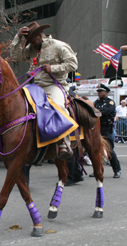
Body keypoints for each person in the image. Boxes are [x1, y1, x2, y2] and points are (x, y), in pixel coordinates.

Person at [10, 21, 78, 158]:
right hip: (36, 86)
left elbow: (73, 64)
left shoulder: (59, 46)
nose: (32, 44)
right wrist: (17, 38)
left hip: (55, 84)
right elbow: (16, 56)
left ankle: (64, 143)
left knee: (58, 106)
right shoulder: (31, 49)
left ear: (40, 36)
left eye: (32, 40)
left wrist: (53, 68)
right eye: (28, 41)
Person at [93, 84, 121, 178]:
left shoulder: (110, 103)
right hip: (97, 128)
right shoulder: (96, 102)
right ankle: (97, 170)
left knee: (109, 151)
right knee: (96, 150)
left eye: (101, 91)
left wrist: (97, 111)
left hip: (106, 129)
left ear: (106, 92)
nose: (99, 93)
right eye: (98, 92)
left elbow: (103, 112)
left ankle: (117, 170)